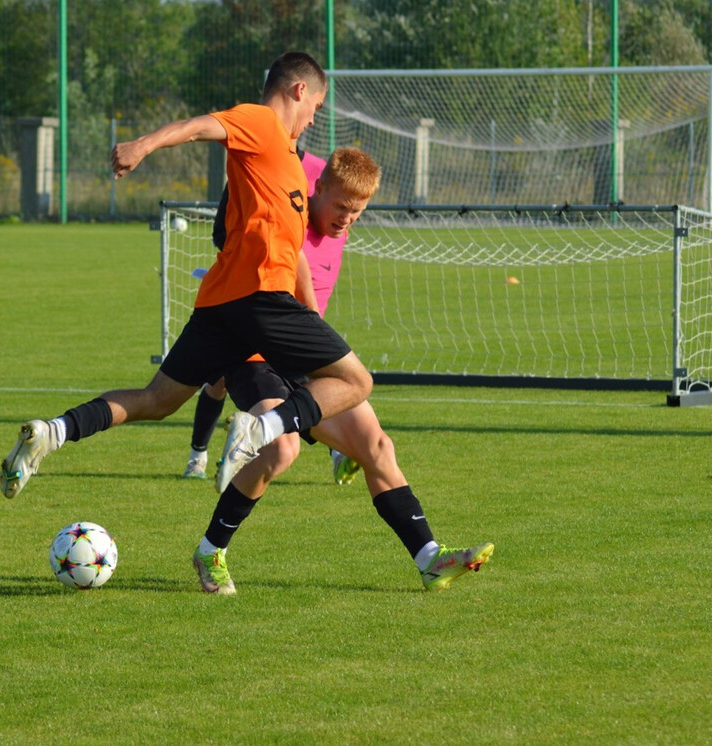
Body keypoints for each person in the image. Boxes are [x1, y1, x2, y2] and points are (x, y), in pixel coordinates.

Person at [0, 51, 374, 500]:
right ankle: (262, 430)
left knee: (158, 400)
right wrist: (142, 145)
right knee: (357, 382)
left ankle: (52, 432)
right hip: (259, 297)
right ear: (298, 91)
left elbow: (286, 247)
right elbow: (200, 126)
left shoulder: (284, 161)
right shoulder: (260, 122)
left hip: (223, 302)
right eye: (316, 107)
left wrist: (310, 315)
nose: (314, 120)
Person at [190, 147, 494, 594]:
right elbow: (268, 150)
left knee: (376, 445)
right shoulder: (289, 212)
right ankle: (209, 552)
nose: (347, 219)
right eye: (340, 207)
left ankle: (429, 558)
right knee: (281, 450)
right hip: (254, 356)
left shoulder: (340, 214)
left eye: (358, 211)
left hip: (306, 360)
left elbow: (323, 168)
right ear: (317, 188)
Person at [182, 148, 361, 487]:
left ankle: (338, 453)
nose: (347, 216)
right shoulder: (277, 166)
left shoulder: (328, 189)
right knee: (216, 384)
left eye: (355, 210)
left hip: (291, 329)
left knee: (320, 387)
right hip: (250, 313)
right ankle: (198, 456)